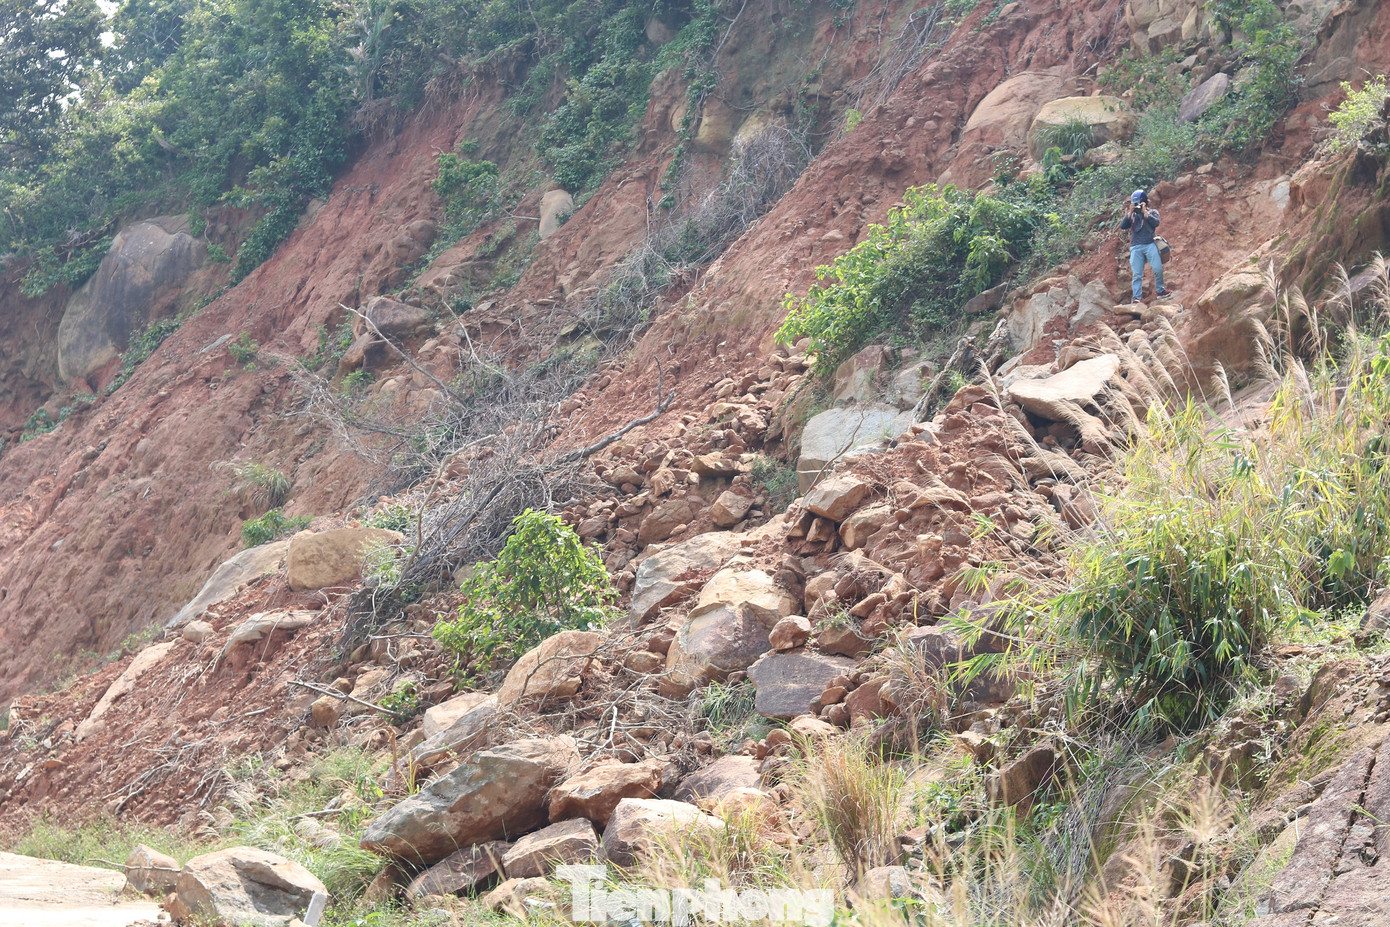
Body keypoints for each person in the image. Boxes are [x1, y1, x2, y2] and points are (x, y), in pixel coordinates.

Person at [1120, 189, 1170, 301]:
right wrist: (1130, 212)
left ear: (1145, 202)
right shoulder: (1132, 215)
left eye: (1139, 204)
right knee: (1137, 274)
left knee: (1158, 269)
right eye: (1135, 204)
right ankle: (1136, 298)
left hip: (1150, 244)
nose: (1137, 206)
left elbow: (1156, 223)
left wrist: (1145, 213)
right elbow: (1123, 226)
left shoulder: (1152, 212)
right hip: (1135, 247)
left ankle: (1160, 291)